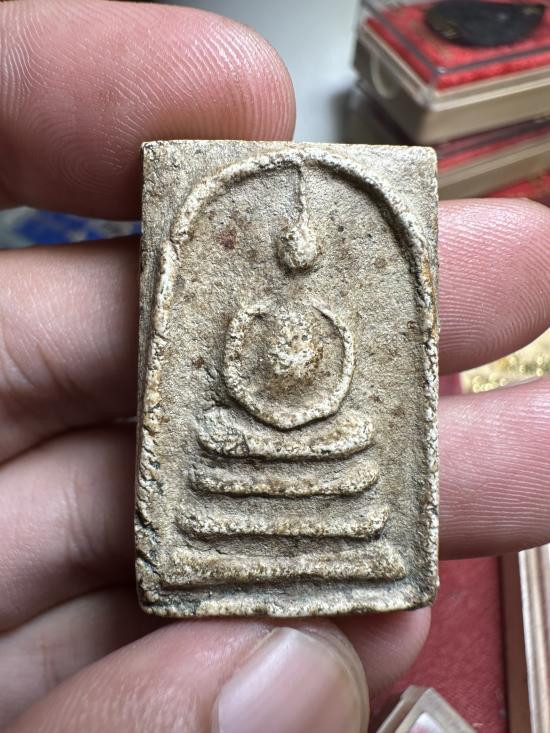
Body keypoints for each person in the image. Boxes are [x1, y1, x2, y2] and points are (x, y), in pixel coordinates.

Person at [1, 2, 549, 731]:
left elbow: (342, 366)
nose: (297, 256)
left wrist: (312, 402)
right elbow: (231, 365)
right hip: (249, 419)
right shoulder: (252, 310)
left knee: (353, 443)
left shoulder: (328, 315)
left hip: (318, 424)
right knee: (218, 441)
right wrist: (262, 402)